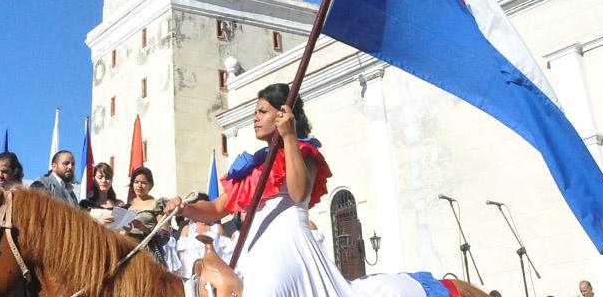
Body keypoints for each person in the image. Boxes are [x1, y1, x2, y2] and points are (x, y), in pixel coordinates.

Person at [166, 83, 407, 296]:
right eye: (254, 113)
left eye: (263, 112)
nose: (255, 118)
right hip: (254, 251)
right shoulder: (254, 166)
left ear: (283, 114)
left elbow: (299, 193)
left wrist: (289, 137)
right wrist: (184, 208)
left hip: (288, 246)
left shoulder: (304, 152)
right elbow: (217, 208)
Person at [124, 167, 171, 268]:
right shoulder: (127, 208)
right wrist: (126, 232)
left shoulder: (157, 204)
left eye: (143, 182)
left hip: (149, 256)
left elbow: (164, 237)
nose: (139, 186)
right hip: (130, 255)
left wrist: (143, 228)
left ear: (150, 185)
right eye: (136, 182)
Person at [175, 193, 225, 278]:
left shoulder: (217, 228)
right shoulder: (187, 229)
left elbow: (224, 254)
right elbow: (181, 257)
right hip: (190, 276)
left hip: (214, 274)